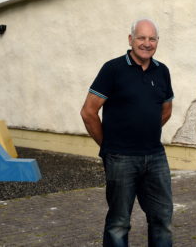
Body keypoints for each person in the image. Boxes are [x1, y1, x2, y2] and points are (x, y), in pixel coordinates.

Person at [81, 18, 174, 247]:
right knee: (119, 223)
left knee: (162, 219)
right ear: (131, 39)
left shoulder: (162, 71)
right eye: (141, 37)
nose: (147, 43)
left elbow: (166, 110)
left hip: (155, 157)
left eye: (152, 38)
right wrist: (109, 145)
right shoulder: (113, 69)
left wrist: (145, 130)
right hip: (120, 158)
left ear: (157, 42)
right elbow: (88, 112)